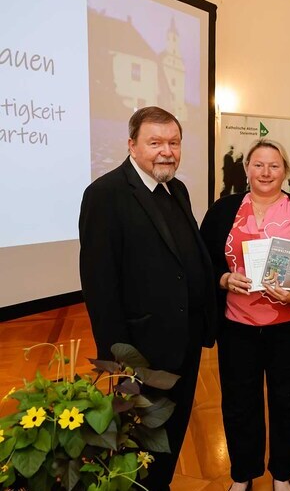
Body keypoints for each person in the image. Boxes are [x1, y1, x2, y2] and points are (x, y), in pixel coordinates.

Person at [79, 106, 217, 491]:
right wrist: (119, 359)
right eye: (155, 142)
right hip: (140, 351)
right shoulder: (105, 195)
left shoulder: (177, 188)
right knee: (138, 440)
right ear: (132, 145)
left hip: (184, 340)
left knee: (172, 431)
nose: (166, 151)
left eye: (173, 142)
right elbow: (99, 285)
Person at [200, 139, 290, 491]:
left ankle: (283, 473)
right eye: (258, 164)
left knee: (289, 402)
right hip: (237, 327)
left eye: (274, 165)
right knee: (239, 403)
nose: (266, 172)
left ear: (285, 170)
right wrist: (224, 279)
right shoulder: (223, 210)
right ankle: (242, 473)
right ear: (246, 168)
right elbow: (201, 260)